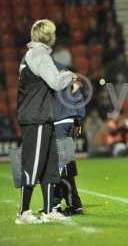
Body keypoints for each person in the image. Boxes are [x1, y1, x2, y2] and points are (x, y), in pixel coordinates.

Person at [16, 19, 77, 224]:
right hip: (37, 117)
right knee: (34, 164)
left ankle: (50, 209)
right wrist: (70, 75)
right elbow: (56, 82)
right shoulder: (38, 55)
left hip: (43, 116)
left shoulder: (32, 55)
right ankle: (23, 212)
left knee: (50, 165)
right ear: (48, 36)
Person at [52, 61, 86, 216]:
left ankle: (61, 204)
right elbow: (79, 99)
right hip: (69, 122)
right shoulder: (71, 80)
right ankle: (64, 203)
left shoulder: (51, 78)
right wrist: (79, 121)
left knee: (60, 167)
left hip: (58, 123)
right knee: (65, 165)